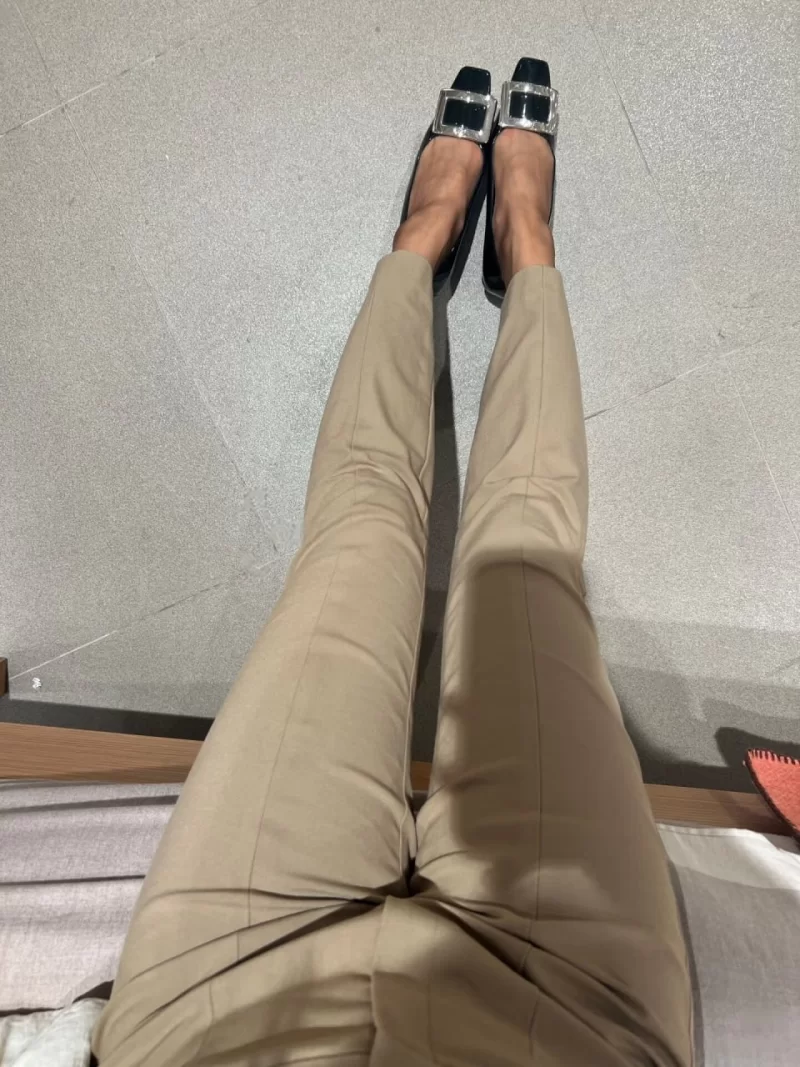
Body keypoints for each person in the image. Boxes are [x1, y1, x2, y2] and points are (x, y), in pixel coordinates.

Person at [93, 59, 692, 1067]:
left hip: (221, 1016)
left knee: (359, 530)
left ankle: (425, 235)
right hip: (570, 1028)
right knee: (528, 552)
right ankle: (526, 243)